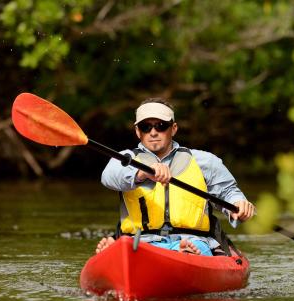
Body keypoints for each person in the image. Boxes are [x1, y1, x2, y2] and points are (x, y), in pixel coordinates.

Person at [96, 98, 255, 255]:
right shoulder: (125, 159)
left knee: (195, 247)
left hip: (193, 240)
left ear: (173, 128)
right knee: (131, 247)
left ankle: (186, 253)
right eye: (146, 127)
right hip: (141, 242)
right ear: (138, 131)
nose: (153, 132)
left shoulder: (204, 161)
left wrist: (238, 203)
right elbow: (108, 177)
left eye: (161, 126)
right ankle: (119, 251)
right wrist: (142, 173)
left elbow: (228, 192)